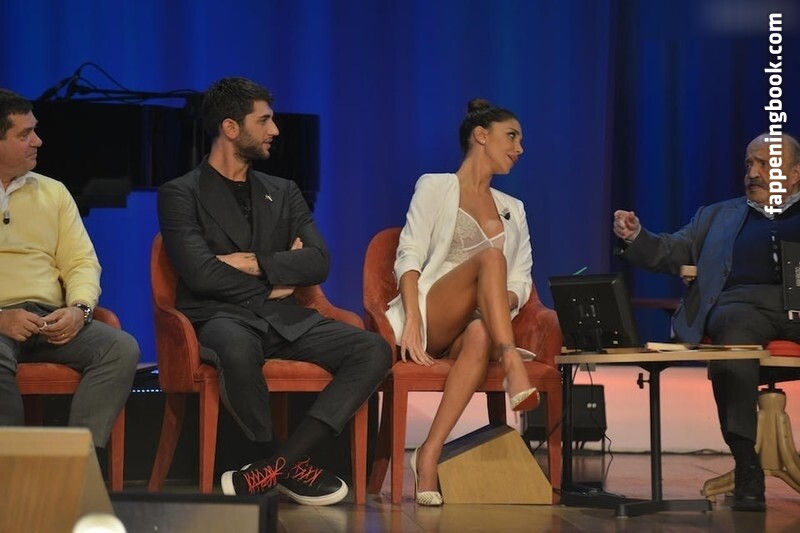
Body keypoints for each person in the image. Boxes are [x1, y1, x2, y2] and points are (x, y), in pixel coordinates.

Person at [157, 77, 391, 506]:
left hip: (284, 319)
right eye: (263, 121)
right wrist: (278, 279)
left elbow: (318, 261)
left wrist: (251, 262)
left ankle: (275, 467)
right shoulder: (180, 193)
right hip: (220, 317)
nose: (275, 130)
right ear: (231, 128)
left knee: (373, 349)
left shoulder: (283, 192)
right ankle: (281, 464)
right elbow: (201, 275)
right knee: (237, 347)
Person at [613, 132, 800, 512]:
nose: (753, 172)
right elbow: (671, 250)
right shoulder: (717, 216)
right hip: (742, 307)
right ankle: (747, 465)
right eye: (749, 164)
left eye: (765, 164)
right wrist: (636, 236)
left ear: (794, 174)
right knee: (732, 345)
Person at [386, 99, 539, 506]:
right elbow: (408, 255)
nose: (520, 148)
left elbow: (521, 282)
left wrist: (494, 301)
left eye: (521, 141)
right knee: (491, 259)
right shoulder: (435, 186)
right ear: (481, 135)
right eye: (512, 136)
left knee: (480, 331)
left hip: (479, 323)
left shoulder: (514, 209)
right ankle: (511, 362)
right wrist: (413, 318)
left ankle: (428, 454)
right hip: (434, 314)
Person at [0, 88, 140, 452]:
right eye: (25, 134)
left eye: (35, 130)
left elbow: (81, 262)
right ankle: (10, 470)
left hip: (48, 320)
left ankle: (75, 465)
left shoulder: (54, 192)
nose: (38, 141)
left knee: (120, 348)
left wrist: (80, 310)